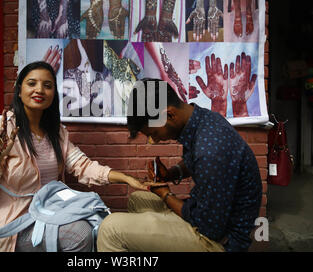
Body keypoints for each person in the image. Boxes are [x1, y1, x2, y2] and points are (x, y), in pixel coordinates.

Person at [0, 61, 162, 252]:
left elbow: (83, 166)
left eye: (47, 85)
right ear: (19, 90)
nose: (39, 90)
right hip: (11, 226)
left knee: (95, 221)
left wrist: (126, 178)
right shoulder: (2, 129)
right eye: (32, 83)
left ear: (54, 94)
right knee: (80, 233)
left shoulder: (56, 132)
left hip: (46, 214)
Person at [97, 78, 262, 252]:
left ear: (169, 115)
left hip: (218, 241)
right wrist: (170, 174)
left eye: (153, 132)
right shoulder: (202, 120)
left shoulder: (211, 150)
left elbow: (210, 228)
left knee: (110, 229)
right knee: (138, 200)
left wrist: (166, 195)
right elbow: (195, 162)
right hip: (208, 214)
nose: (153, 140)